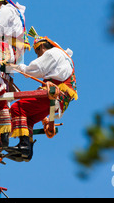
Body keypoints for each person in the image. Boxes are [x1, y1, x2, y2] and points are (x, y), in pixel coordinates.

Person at [9, 27, 78, 161]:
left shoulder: (52, 53)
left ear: (42, 48)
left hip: (53, 94)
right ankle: (27, 151)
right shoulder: (64, 55)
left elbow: (33, 69)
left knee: (17, 108)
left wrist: (14, 66)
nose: (38, 56)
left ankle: (23, 146)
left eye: (37, 52)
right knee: (29, 118)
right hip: (60, 99)